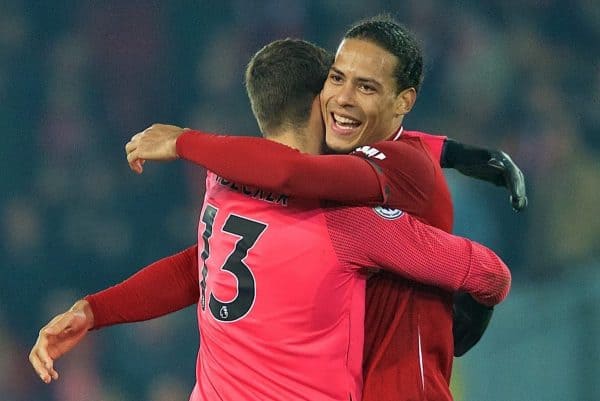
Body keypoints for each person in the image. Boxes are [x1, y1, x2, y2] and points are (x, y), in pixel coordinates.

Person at [30, 38, 511, 401]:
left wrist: (92, 310)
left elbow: (193, 267)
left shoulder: (220, 183)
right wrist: (475, 309)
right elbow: (489, 271)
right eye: (339, 86)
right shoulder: (349, 221)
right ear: (322, 102)